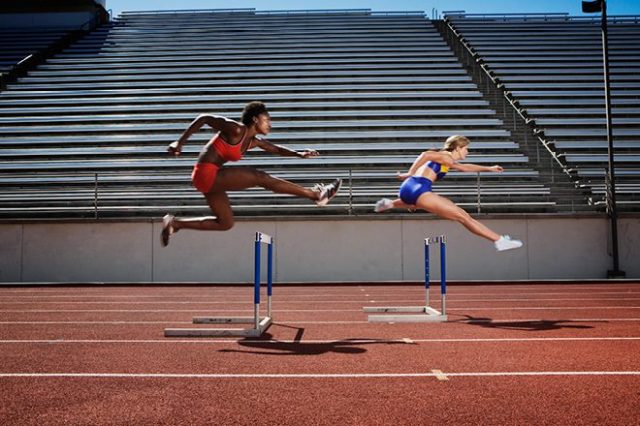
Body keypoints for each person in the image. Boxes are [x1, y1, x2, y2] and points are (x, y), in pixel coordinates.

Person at [161, 101, 341, 246]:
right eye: (267, 119)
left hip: (211, 180)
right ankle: (316, 195)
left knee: (225, 223)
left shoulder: (253, 142)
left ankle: (175, 224)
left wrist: (299, 154)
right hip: (206, 173)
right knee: (259, 177)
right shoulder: (236, 129)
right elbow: (204, 118)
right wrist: (179, 142)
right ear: (255, 119)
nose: (270, 124)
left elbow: (275, 149)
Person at [374, 135, 523, 251]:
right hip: (419, 187)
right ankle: (500, 241)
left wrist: (489, 168)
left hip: (409, 189)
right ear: (458, 148)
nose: (468, 152)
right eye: (466, 149)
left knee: (432, 204)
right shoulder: (445, 156)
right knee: (463, 216)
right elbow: (425, 154)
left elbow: (464, 168)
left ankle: (389, 203)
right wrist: (409, 172)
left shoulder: (448, 161)